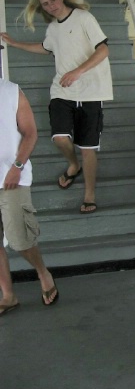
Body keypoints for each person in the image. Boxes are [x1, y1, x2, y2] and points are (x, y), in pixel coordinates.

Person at [0, 0, 113, 214]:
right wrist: (14, 44)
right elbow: (45, 47)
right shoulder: (53, 28)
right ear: (41, 7)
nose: (51, 5)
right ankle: (73, 165)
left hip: (91, 91)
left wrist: (78, 71)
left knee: (88, 148)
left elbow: (103, 50)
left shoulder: (83, 17)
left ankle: (89, 195)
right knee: (60, 138)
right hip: (62, 91)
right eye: (45, 3)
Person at [0, 78, 59, 316]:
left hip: (11, 177)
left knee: (20, 240)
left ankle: (42, 271)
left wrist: (17, 166)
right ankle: (8, 296)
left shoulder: (11, 91)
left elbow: (30, 133)